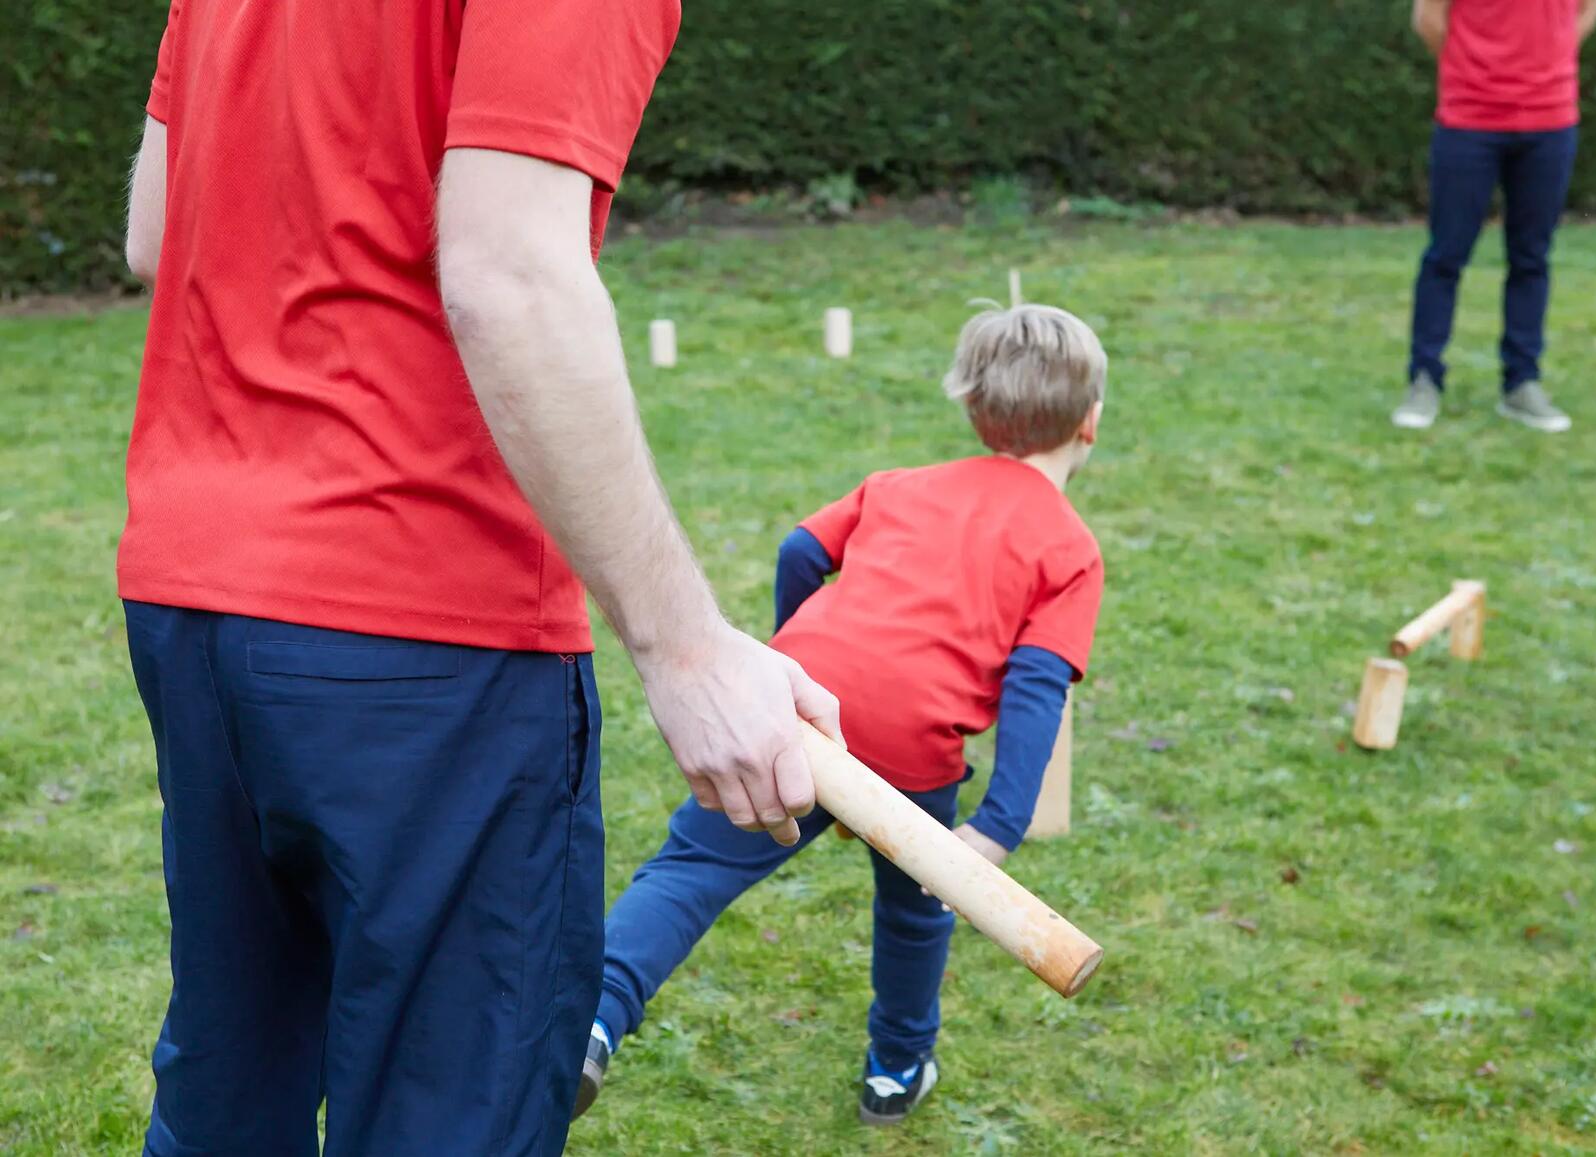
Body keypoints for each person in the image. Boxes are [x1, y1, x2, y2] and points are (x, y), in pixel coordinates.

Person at [119, 1, 840, 1153]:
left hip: (193, 592)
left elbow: (156, 234)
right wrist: (685, 644)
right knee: (445, 1114)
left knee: (225, 1092)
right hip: (425, 622)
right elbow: (508, 272)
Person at [575, 305, 1109, 1125]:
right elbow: (1037, 687)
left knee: (690, 871)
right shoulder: (1069, 547)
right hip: (915, 746)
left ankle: (594, 1018)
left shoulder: (897, 485)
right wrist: (995, 829)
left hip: (799, 718)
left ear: (972, 408)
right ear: (1091, 422)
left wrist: (786, 661)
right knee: (914, 908)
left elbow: (800, 551)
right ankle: (895, 1070)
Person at [1393, 0, 1596, 433]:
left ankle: (1522, 383)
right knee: (1446, 256)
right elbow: (1428, 20)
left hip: (1550, 119)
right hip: (1469, 120)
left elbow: (1589, 8)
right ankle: (1424, 379)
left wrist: (1556, 53)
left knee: (1531, 258)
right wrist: (1475, 68)